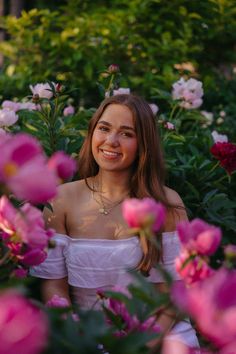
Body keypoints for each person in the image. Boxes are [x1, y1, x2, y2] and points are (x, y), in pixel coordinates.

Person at [31, 94, 199, 351]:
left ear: (144, 144)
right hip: (86, 337)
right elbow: (54, 284)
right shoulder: (62, 200)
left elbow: (173, 293)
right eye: (104, 128)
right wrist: (75, 336)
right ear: (92, 132)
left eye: (126, 134)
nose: (111, 141)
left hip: (158, 338)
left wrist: (139, 346)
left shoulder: (167, 203)